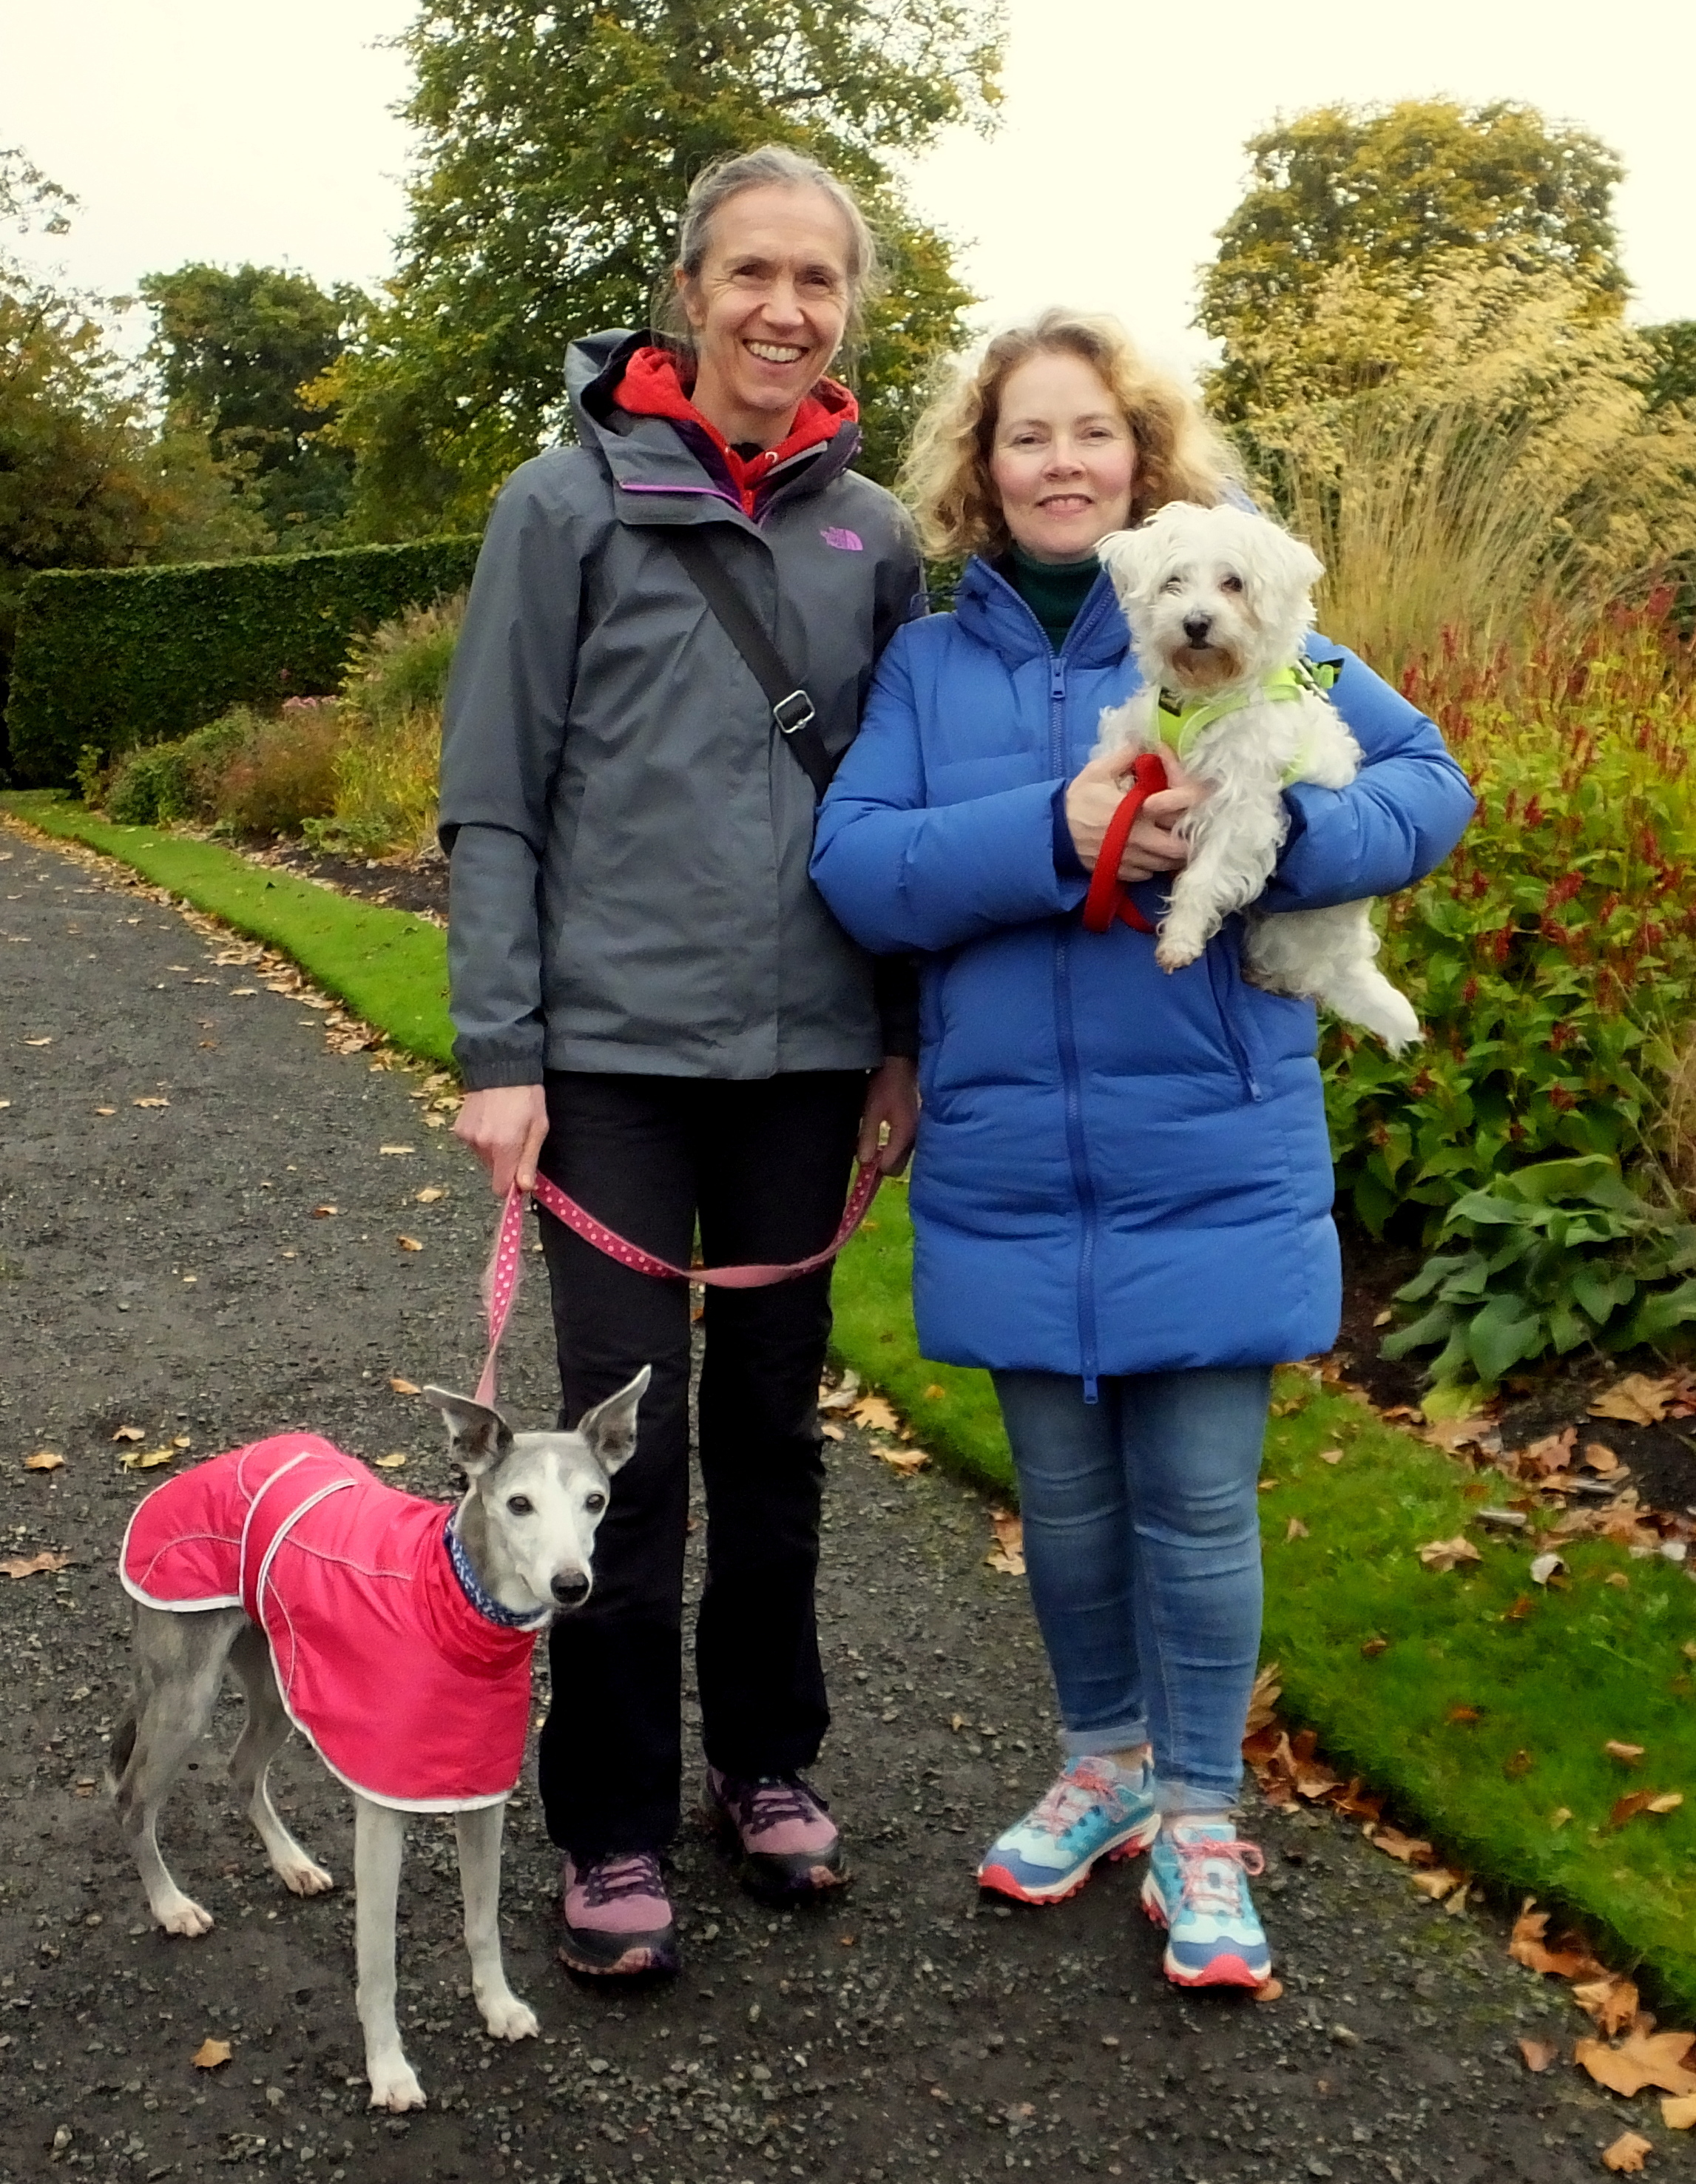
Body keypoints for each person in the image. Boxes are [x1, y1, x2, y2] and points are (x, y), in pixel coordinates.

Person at [811, 311, 1474, 1989]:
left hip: (1212, 1136)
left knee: (1191, 1505)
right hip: (1012, 1155)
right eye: (1024, 436)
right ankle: (1098, 1764)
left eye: (1089, 433)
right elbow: (860, 865)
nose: (1058, 463)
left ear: (1141, 458)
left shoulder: (1262, 641)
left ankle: (1198, 1813)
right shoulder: (929, 664)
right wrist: (1056, 830)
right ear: (982, 467)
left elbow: (1425, 782)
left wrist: (1290, 843)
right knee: (1067, 1508)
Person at [438, 146, 925, 1980]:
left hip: (807, 1066)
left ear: (846, 308)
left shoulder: (876, 535)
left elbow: (900, 814)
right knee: (620, 1455)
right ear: (687, 292)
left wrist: (895, 1046)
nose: (782, 311)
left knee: (774, 1441)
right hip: (617, 1069)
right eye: (750, 276)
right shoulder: (559, 509)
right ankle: (615, 1823)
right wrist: (504, 1051)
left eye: (817, 281)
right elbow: (492, 800)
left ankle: (768, 1764)